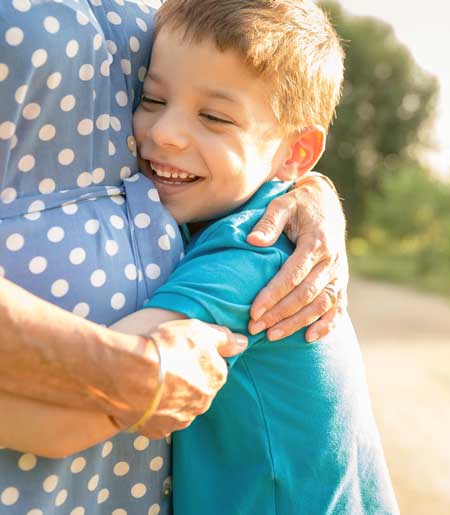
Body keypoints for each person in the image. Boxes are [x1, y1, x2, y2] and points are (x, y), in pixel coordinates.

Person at [0, 1, 349, 513]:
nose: (164, 133)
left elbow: (63, 426)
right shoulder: (218, 219)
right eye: (152, 98)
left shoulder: (252, 254)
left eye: (213, 116)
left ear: (295, 154)